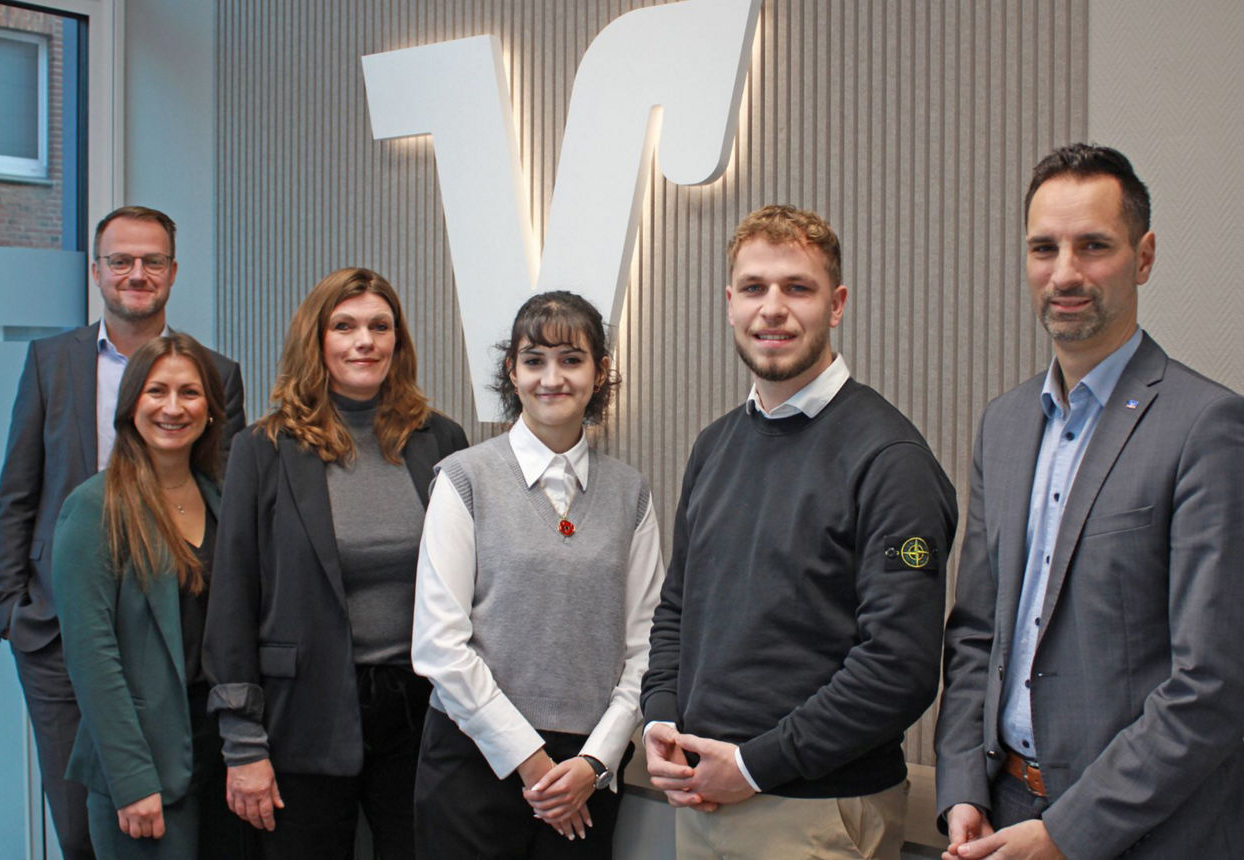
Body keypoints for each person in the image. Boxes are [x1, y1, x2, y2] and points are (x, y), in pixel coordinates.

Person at [934, 144, 1244, 860]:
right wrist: (960, 791)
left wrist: (1067, 833)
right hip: (1004, 809)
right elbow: (977, 632)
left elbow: (1213, 684)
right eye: (1045, 248)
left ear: (1144, 256)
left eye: (1093, 246)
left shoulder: (1208, 428)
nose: (1065, 272)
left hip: (1148, 831)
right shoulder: (1005, 425)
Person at [640, 204, 958, 860]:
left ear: (836, 304)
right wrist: (661, 717)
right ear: (730, 304)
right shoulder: (714, 446)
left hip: (815, 812)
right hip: (700, 800)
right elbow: (678, 609)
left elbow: (898, 669)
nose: (773, 308)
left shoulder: (889, 460)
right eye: (754, 288)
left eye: (798, 288)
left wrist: (755, 766)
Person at [0, 205, 246, 859]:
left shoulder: (215, 372)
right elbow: (18, 492)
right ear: (98, 271)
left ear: (172, 271)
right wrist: (13, 611)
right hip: (62, 632)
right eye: (122, 261)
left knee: (173, 824)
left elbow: (231, 506)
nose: (137, 273)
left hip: (168, 643)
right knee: (87, 826)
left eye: (152, 260)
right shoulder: (53, 362)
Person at [203, 267, 467, 858]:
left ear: (398, 341)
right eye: (344, 326)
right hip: (306, 713)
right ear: (316, 339)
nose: (364, 341)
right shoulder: (264, 450)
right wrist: (243, 744)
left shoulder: (439, 442)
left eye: (380, 326)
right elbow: (233, 600)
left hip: (423, 712)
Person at [411, 290, 665, 859]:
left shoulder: (632, 494)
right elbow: (438, 646)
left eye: (572, 360)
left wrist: (595, 762)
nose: (553, 377)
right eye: (535, 360)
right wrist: (531, 760)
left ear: (600, 374)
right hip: (472, 764)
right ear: (512, 372)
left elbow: (647, 646)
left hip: (586, 775)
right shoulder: (462, 480)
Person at [51, 333, 243, 858]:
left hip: (223, 759)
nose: (174, 408)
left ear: (210, 409)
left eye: (190, 393)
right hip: (144, 766)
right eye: (157, 391)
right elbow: (93, 663)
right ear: (131, 403)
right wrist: (132, 781)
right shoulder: (93, 508)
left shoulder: (222, 498)